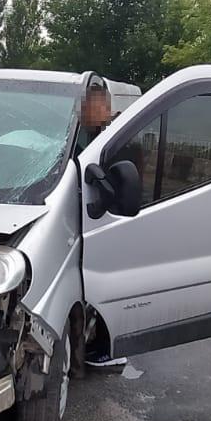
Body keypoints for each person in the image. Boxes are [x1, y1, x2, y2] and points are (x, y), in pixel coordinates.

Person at [76, 82, 129, 368]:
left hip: (110, 217)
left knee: (106, 288)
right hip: (81, 218)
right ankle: (89, 339)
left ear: (106, 108)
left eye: (96, 106)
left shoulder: (117, 137)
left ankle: (108, 347)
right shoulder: (79, 135)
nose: (90, 112)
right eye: (87, 106)